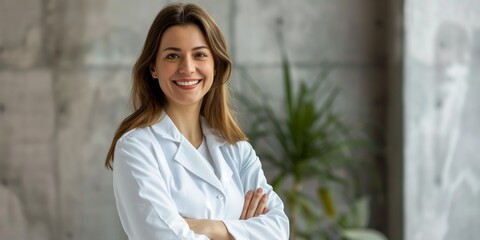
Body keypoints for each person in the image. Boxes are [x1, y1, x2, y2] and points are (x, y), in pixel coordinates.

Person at [104, 3, 289, 239]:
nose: (187, 68)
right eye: (173, 56)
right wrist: (241, 230)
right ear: (153, 67)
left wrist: (212, 227)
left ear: (215, 66)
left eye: (200, 54)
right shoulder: (136, 148)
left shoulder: (237, 150)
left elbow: (279, 230)